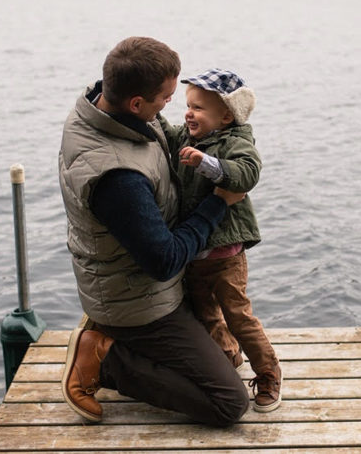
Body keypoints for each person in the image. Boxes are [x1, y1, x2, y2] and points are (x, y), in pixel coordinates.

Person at [57, 36, 250, 427]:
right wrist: (219, 201)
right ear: (136, 103)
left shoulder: (103, 107)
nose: (170, 106)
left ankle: (108, 336)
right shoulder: (117, 177)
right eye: (165, 97)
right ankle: (104, 356)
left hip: (128, 283)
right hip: (140, 304)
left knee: (224, 341)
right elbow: (163, 261)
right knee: (228, 402)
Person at [162, 68, 282, 412]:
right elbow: (169, 134)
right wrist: (151, 114)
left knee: (237, 315)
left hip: (225, 254)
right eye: (187, 105)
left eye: (198, 108)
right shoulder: (187, 135)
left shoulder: (235, 141)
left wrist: (208, 164)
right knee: (205, 315)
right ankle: (229, 359)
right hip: (195, 255)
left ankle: (269, 371)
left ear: (226, 115)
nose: (188, 113)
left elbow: (247, 172)